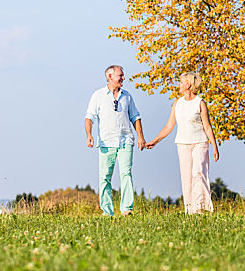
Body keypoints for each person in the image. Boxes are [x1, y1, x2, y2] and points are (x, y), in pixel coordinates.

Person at [146, 72, 219, 214]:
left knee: (198, 173)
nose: (179, 85)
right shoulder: (177, 103)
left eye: (181, 82)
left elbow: (207, 126)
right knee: (187, 176)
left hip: (200, 142)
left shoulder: (200, 103)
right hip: (182, 143)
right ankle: (190, 209)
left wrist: (214, 146)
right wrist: (155, 141)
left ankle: (201, 207)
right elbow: (168, 126)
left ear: (188, 85)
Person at [85, 65, 146, 216]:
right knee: (105, 177)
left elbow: (135, 117)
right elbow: (89, 117)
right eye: (121, 75)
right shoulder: (98, 96)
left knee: (126, 173)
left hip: (125, 140)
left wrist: (140, 136)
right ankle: (107, 211)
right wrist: (89, 135)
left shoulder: (127, 96)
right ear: (110, 77)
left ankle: (127, 209)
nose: (123, 78)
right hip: (106, 142)